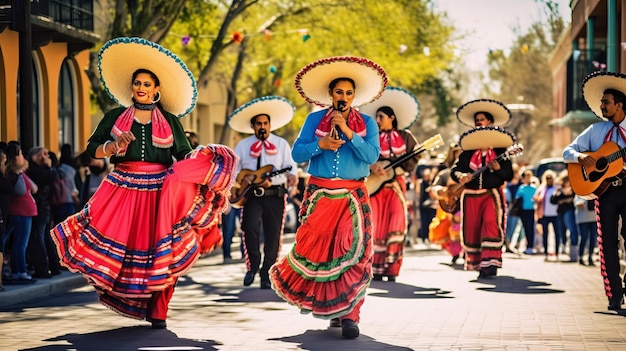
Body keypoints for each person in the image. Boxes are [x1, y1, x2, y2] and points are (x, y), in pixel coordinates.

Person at [51, 37, 238, 328]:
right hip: (121, 189)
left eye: (147, 84)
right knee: (124, 249)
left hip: (161, 191)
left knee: (163, 247)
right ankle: (131, 296)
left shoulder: (171, 120)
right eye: (137, 83)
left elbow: (182, 155)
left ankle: (159, 311)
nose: (140, 87)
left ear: (156, 90)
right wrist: (112, 147)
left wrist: (201, 158)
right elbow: (92, 149)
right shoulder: (114, 116)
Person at [269, 56, 386, 339]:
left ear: (354, 97)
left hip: (352, 196)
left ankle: (351, 317)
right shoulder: (313, 120)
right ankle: (334, 307)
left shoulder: (367, 123)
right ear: (331, 95)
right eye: (339, 92)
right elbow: (297, 154)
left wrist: (348, 132)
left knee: (354, 253)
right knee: (321, 254)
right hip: (320, 195)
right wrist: (320, 144)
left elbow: (372, 156)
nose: (343, 97)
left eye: (348, 93)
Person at [562, 70, 626, 311]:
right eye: (602, 102)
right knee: (607, 244)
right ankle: (614, 295)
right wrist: (581, 158)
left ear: (619, 105)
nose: (601, 106)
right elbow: (567, 151)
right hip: (605, 193)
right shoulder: (596, 131)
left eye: (606, 102)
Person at [228, 96, 298, 288]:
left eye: (265, 123)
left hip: (275, 195)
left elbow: (291, 168)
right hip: (251, 197)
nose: (262, 127)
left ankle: (267, 274)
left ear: (269, 124)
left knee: (273, 235)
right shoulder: (243, 146)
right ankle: (252, 266)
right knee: (248, 228)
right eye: (258, 123)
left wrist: (291, 177)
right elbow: (234, 171)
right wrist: (243, 179)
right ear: (253, 126)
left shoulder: (282, 144)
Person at [359, 86, 420, 281]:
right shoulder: (370, 138)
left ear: (392, 118)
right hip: (375, 189)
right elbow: (362, 157)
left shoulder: (405, 137)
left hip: (396, 187)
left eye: (381, 117)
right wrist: (373, 167)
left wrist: (397, 170)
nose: (378, 121)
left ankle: (392, 268)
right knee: (377, 226)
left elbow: (414, 158)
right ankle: (376, 268)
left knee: (397, 223)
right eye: (376, 117)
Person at [451, 99, 515, 278]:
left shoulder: (502, 150)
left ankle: (490, 264)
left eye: (482, 119)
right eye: (477, 120)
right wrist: (460, 176)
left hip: (490, 195)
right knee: (472, 228)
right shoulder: (468, 149)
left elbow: (509, 175)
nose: (479, 122)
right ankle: (478, 264)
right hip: (470, 196)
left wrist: (498, 169)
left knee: (490, 224)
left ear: (490, 123)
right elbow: (455, 170)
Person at [25, 146, 62, 278]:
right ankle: (50, 267)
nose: (47, 157)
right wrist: (48, 166)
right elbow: (51, 176)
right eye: (44, 154)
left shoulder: (39, 170)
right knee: (42, 237)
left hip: (41, 207)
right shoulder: (33, 170)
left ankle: (45, 268)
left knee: (40, 237)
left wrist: (48, 166)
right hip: (41, 207)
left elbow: (53, 176)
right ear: (38, 156)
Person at [5, 141, 37, 283]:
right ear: (16, 157)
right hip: (20, 212)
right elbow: (21, 190)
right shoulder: (15, 173)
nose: (23, 157)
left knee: (18, 243)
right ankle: (20, 272)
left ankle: (18, 271)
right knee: (20, 244)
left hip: (23, 211)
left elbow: (33, 187)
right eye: (21, 154)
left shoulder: (20, 172)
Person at [429, 143, 464, 264]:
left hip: (467, 205)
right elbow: (434, 188)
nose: (460, 155)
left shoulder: (471, 173)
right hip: (450, 207)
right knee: (452, 228)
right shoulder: (445, 173)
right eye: (457, 152)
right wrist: (441, 191)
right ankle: (456, 253)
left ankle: (468, 252)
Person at [550, 174, 579, 262]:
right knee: (561, 231)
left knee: (572, 229)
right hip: (560, 212)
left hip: (569, 211)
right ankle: (562, 248)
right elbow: (553, 200)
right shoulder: (559, 189)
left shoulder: (574, 188)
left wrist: (564, 200)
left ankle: (573, 252)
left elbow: (573, 199)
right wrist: (560, 195)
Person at [534, 170, 559, 260]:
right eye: (547, 178)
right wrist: (537, 199)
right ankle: (545, 253)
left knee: (557, 234)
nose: (549, 180)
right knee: (545, 234)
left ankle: (557, 253)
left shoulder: (556, 188)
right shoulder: (541, 188)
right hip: (544, 214)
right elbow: (534, 198)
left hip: (556, 214)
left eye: (550, 178)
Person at [514, 169, 537, 255]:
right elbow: (517, 198)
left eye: (529, 177)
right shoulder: (521, 188)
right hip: (523, 210)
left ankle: (530, 247)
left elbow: (537, 198)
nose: (528, 179)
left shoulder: (534, 188)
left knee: (531, 228)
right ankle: (527, 246)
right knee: (525, 228)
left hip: (531, 210)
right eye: (526, 177)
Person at [574, 194, 597, 266]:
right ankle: (580, 256)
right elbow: (576, 202)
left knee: (593, 239)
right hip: (583, 219)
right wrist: (580, 204)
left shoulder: (595, 191)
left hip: (594, 218)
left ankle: (590, 257)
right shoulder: (580, 192)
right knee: (583, 238)